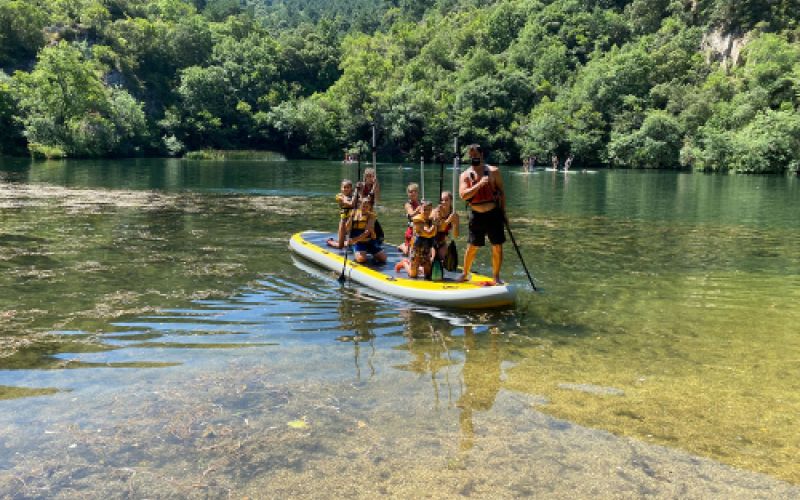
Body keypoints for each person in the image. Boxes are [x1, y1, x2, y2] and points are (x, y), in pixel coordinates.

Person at [458, 144, 506, 284]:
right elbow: (463, 195)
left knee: (497, 246)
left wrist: (504, 213)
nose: (473, 158)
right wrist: (479, 184)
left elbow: (501, 193)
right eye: (471, 156)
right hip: (476, 214)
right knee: (472, 247)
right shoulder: (465, 175)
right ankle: (465, 273)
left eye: (476, 155)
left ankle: (496, 276)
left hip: (493, 213)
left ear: (482, 155)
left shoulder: (494, 171)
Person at [396, 201, 436, 279]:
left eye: (429, 210)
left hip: (426, 250)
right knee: (413, 275)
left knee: (428, 275)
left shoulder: (431, 220)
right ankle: (404, 263)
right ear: (421, 209)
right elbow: (427, 233)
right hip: (416, 250)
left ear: (431, 210)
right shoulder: (418, 220)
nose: (426, 212)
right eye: (424, 209)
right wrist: (435, 225)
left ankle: (420, 267)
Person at [345, 197, 387, 264]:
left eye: (367, 207)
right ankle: (356, 250)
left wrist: (354, 240)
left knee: (383, 259)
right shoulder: (353, 214)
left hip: (369, 241)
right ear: (359, 205)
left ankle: (370, 251)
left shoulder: (371, 216)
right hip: (359, 243)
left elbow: (367, 232)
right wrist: (350, 218)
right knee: (362, 260)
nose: (364, 208)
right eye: (363, 206)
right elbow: (347, 228)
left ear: (369, 207)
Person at [326, 179, 356, 249]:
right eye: (344, 187)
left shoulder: (354, 196)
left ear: (351, 189)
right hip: (344, 220)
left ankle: (345, 241)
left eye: (348, 187)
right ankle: (330, 242)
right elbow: (349, 204)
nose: (345, 189)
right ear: (341, 188)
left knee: (350, 243)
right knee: (340, 246)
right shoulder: (339, 196)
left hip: (352, 221)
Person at [432, 190, 459, 262]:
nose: (443, 202)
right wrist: (449, 220)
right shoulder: (436, 212)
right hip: (430, 241)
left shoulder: (454, 214)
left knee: (447, 261)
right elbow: (440, 229)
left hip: (441, 242)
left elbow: (456, 235)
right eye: (442, 200)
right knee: (433, 261)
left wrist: (455, 224)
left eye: (446, 200)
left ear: (451, 201)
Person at [358, 167, 383, 242]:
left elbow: (377, 199)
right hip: (362, 210)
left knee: (380, 236)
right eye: (369, 176)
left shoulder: (375, 185)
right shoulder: (362, 185)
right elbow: (361, 199)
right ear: (365, 177)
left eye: (372, 176)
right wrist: (371, 192)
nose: (370, 178)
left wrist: (376, 187)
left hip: (370, 212)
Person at [398, 183, 422, 255]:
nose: (413, 193)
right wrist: (418, 210)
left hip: (420, 230)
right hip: (411, 231)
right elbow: (411, 214)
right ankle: (403, 246)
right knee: (407, 253)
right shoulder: (408, 204)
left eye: (415, 191)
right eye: (411, 192)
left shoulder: (422, 203)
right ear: (408, 194)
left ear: (418, 193)